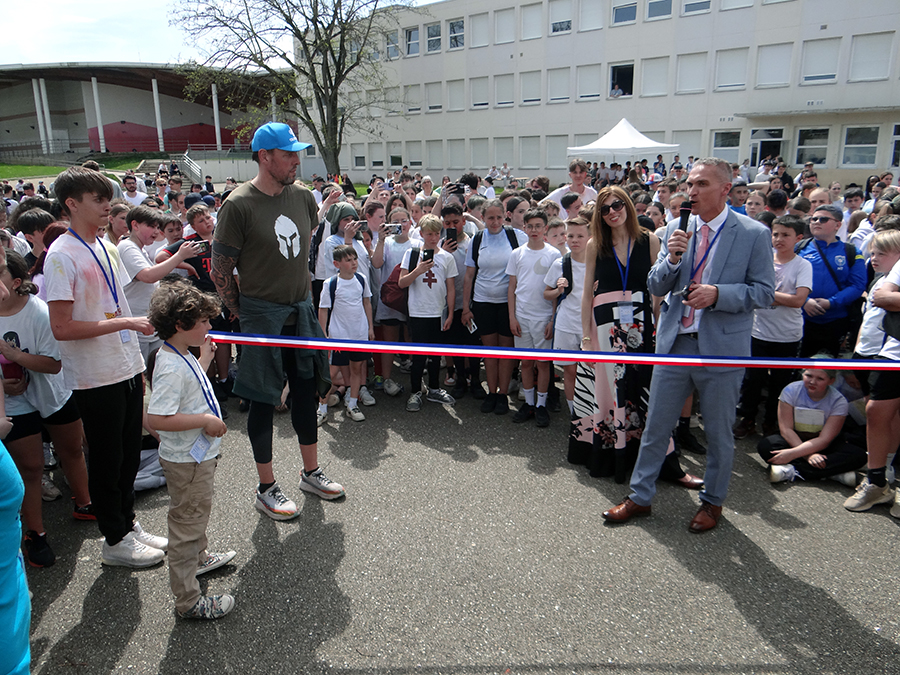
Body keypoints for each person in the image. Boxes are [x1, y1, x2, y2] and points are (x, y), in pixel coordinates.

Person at [602, 158, 775, 533]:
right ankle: (640, 497)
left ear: (726, 189)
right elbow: (655, 284)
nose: (692, 191)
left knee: (717, 431)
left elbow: (764, 292)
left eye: (702, 184)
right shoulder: (677, 230)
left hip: (721, 348)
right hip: (675, 343)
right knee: (656, 426)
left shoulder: (753, 233)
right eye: (691, 184)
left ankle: (712, 502)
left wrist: (719, 294)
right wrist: (674, 256)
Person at [211, 122, 344, 521]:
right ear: (265, 157)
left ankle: (310, 472)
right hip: (260, 315)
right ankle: (266, 487)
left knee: (305, 392)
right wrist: (240, 311)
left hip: (300, 311)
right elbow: (221, 270)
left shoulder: (302, 198)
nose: (296, 161)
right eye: (288, 154)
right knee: (264, 399)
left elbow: (302, 252)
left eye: (296, 153)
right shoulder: (238, 205)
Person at [45, 167, 167, 567]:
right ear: (72, 204)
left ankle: (127, 523)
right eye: (97, 200)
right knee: (107, 456)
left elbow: (117, 304)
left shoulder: (106, 245)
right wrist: (127, 322)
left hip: (126, 363)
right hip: (95, 375)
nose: (107, 206)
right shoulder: (61, 255)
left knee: (130, 453)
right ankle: (113, 539)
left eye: (107, 198)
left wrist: (132, 333)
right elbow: (61, 328)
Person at [572, 187, 701, 487]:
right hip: (604, 327)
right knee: (609, 393)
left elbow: (660, 289)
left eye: (617, 204)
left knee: (646, 394)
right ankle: (611, 458)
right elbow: (586, 293)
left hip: (642, 327)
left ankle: (663, 463)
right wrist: (586, 338)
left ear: (628, 205)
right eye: (605, 209)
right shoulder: (595, 244)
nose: (612, 212)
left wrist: (659, 329)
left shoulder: (650, 240)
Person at [146, 281, 236, 620]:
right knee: (187, 521)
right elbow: (157, 416)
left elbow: (189, 381)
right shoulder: (169, 366)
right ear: (182, 325)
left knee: (194, 513)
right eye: (204, 322)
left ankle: (199, 559)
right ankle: (188, 600)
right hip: (187, 461)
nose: (210, 327)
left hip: (194, 457)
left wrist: (205, 358)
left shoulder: (179, 352)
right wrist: (203, 420)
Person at [734, 216, 812, 439]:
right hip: (758, 332)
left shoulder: (802, 265)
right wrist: (767, 296)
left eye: (785, 235)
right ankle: (747, 419)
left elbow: (799, 300)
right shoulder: (761, 260)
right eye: (775, 234)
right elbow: (747, 290)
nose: (779, 239)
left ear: (798, 238)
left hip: (787, 336)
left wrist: (764, 295)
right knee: (751, 381)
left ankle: (772, 422)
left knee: (780, 383)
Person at [461, 199, 528, 413]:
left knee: (506, 351)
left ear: (505, 216)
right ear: (482, 218)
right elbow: (469, 276)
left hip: (508, 304)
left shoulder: (517, 237)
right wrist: (465, 307)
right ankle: (491, 392)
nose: (495, 221)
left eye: (499, 217)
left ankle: (503, 394)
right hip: (482, 302)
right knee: (490, 351)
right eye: (490, 217)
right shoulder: (478, 239)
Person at [758, 361, 864, 487]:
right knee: (766, 446)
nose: (812, 382)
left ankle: (793, 471)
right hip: (794, 439)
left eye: (820, 378)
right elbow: (786, 430)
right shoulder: (791, 390)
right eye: (808, 376)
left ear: (831, 381)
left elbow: (825, 439)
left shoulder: (839, 401)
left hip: (822, 444)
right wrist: (809, 456)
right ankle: (833, 472)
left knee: (858, 455)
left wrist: (794, 454)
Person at [506, 209, 560, 427]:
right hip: (522, 316)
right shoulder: (517, 254)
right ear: (524, 228)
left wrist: (552, 320)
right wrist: (512, 317)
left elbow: (557, 289)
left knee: (543, 364)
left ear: (545, 228)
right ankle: (528, 403)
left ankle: (541, 405)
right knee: (526, 362)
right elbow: (512, 288)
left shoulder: (554, 254)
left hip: (544, 316)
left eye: (539, 226)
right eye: (530, 226)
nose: (534, 230)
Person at [398, 215, 457, 411]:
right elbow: (402, 282)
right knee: (419, 355)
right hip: (418, 312)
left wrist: (449, 314)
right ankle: (415, 391)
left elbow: (451, 288)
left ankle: (433, 388)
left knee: (435, 354)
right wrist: (418, 270)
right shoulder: (412, 253)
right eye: (429, 233)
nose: (433, 237)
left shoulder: (447, 257)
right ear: (421, 233)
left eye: (436, 233)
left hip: (438, 312)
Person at [797, 204, 866, 357]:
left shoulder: (851, 251)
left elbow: (858, 284)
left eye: (823, 219)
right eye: (813, 219)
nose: (816, 222)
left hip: (836, 321)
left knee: (829, 370)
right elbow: (784, 280)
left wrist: (832, 302)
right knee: (798, 368)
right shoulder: (799, 249)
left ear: (838, 225)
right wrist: (804, 301)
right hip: (801, 320)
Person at [317, 245, 375, 423]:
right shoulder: (330, 283)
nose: (353, 263)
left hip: (358, 334)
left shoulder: (362, 279)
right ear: (337, 264)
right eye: (348, 260)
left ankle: (352, 403)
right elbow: (323, 310)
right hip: (338, 336)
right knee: (331, 373)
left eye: (355, 259)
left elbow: (367, 303)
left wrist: (370, 327)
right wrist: (323, 333)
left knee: (357, 370)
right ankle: (322, 408)